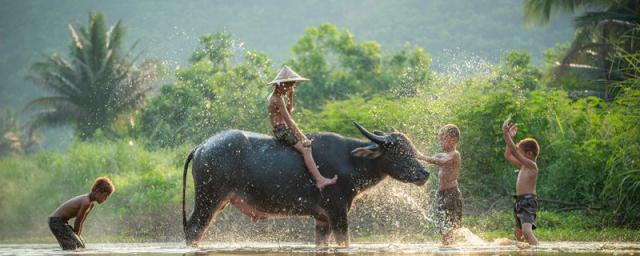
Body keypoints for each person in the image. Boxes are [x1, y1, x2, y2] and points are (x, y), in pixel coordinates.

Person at [267, 66, 337, 189]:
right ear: (283, 85)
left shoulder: (275, 97)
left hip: (281, 129)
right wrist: (303, 138)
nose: (292, 88)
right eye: (290, 86)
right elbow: (289, 121)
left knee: (306, 143)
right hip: (282, 131)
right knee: (306, 149)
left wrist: (291, 95)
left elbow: (288, 111)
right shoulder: (277, 99)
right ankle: (320, 179)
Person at [417, 124, 462, 245]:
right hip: (442, 194)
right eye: (440, 138)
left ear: (453, 140)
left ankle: (449, 247)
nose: (440, 141)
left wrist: (422, 156)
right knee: (443, 225)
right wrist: (415, 154)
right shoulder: (442, 154)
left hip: (452, 193)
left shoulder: (455, 154)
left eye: (443, 138)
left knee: (449, 225)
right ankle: (447, 245)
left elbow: (441, 161)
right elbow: (429, 159)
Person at [48, 176, 115, 250]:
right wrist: (76, 235)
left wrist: (78, 236)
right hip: (56, 221)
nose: (105, 199)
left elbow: (81, 221)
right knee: (72, 246)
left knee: (81, 246)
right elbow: (78, 220)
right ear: (97, 192)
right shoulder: (86, 201)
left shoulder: (90, 204)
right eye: (105, 196)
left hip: (60, 222)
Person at [502, 119, 540, 247]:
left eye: (521, 153)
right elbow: (508, 154)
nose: (518, 155)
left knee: (527, 232)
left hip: (528, 201)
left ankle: (537, 250)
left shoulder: (531, 165)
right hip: (519, 201)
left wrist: (506, 134)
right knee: (519, 234)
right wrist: (511, 137)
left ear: (529, 154)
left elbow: (513, 151)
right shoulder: (523, 165)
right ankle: (525, 251)